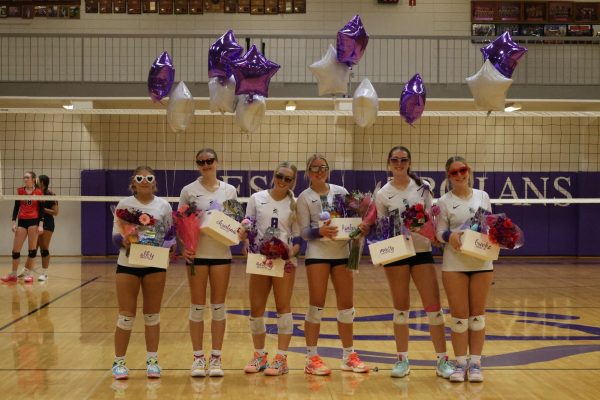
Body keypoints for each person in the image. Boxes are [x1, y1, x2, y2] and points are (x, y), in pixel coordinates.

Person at [374, 146, 455, 379]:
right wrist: (385, 246)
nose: (399, 163)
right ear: (388, 163)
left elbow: (433, 222)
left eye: (403, 159)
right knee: (400, 309)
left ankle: (442, 360)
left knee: (434, 309)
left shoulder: (423, 189)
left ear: (409, 162)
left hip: (421, 252)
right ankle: (402, 360)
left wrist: (423, 229)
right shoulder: (383, 194)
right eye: (394, 160)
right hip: (397, 254)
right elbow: (381, 229)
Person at [296, 154, 369, 376]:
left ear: (328, 170)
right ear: (308, 173)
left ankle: (348, 356)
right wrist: (320, 231)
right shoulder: (304, 197)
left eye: (323, 167)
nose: (319, 171)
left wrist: (360, 227)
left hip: (342, 254)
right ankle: (312, 358)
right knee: (316, 307)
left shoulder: (341, 192)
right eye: (314, 168)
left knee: (347, 308)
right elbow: (304, 233)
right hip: (317, 255)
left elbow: (353, 222)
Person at [178, 148, 238, 378]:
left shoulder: (229, 190)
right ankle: (197, 358)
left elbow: (234, 221)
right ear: (197, 165)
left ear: (216, 162)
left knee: (218, 307)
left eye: (209, 160)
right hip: (197, 255)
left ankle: (216, 358)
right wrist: (185, 248)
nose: (206, 164)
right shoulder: (188, 191)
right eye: (201, 162)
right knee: (197, 307)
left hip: (221, 254)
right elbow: (181, 223)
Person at [111, 166, 173, 380]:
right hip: (128, 264)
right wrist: (126, 240)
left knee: (152, 315)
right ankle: (119, 362)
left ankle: (152, 361)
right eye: (140, 178)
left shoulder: (163, 206)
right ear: (133, 182)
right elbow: (115, 238)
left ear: (154, 181)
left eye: (149, 178)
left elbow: (170, 235)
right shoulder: (124, 205)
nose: (144, 181)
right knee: (126, 316)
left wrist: (170, 246)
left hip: (154, 264)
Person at [435, 156, 493, 383]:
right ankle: (460, 364)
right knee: (459, 317)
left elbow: (489, 226)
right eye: (454, 172)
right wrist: (451, 235)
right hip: (454, 264)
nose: (459, 175)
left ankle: (476, 364)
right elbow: (439, 233)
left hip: (481, 262)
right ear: (448, 177)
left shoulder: (483, 196)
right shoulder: (443, 201)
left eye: (463, 170)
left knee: (477, 317)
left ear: (469, 171)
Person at [241, 161, 301, 376]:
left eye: (288, 178)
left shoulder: (294, 204)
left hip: (284, 263)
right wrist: (246, 245)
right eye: (280, 176)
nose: (283, 181)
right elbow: (248, 228)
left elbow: (298, 241)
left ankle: (282, 358)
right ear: (273, 176)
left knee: (283, 308)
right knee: (256, 310)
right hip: (259, 260)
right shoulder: (257, 199)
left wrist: (286, 254)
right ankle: (259, 355)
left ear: (293, 181)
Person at [2, 171, 44, 284]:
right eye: (24, 177)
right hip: (22, 221)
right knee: (15, 250)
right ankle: (13, 275)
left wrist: (41, 224)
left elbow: (41, 210)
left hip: (33, 221)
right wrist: (13, 222)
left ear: (33, 179)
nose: (25, 179)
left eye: (27, 177)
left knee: (32, 250)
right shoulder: (20, 191)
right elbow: (16, 207)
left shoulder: (38, 192)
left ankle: (29, 275)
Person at [36, 175, 58, 282]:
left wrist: (42, 209)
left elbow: (56, 212)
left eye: (38, 180)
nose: (36, 181)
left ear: (43, 183)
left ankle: (44, 274)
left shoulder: (51, 194)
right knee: (33, 248)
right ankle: (27, 272)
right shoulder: (36, 193)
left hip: (48, 224)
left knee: (44, 248)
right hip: (36, 223)